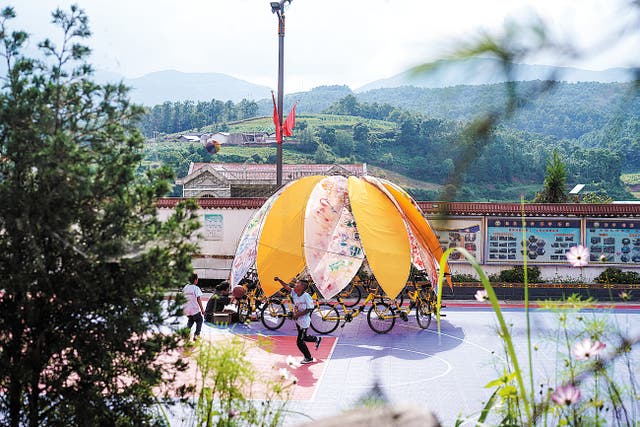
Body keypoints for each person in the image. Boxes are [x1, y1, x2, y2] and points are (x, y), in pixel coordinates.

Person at [274, 276, 322, 364]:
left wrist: (298, 314)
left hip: (304, 321)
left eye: (297, 284)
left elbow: (309, 308)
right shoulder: (295, 293)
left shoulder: (306, 296)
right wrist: (279, 280)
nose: (295, 284)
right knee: (304, 337)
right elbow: (286, 287)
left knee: (300, 342)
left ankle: (308, 358)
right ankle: (316, 339)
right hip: (298, 320)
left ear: (302, 287)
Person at [182, 273, 205, 340]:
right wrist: (202, 309)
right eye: (197, 279)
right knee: (199, 320)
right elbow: (198, 299)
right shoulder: (196, 288)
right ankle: (197, 335)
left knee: (191, 320)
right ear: (195, 280)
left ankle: (186, 333)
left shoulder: (185, 287)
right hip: (194, 309)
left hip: (187, 309)